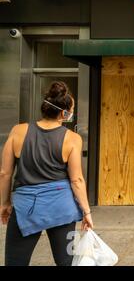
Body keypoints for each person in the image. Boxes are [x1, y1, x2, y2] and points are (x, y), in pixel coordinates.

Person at [0, 81, 93, 266]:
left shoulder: (18, 131)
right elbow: (77, 179)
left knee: (15, 262)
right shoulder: (72, 139)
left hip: (26, 208)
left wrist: (5, 203)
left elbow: (4, 173)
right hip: (61, 208)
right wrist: (86, 211)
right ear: (64, 113)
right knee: (66, 262)